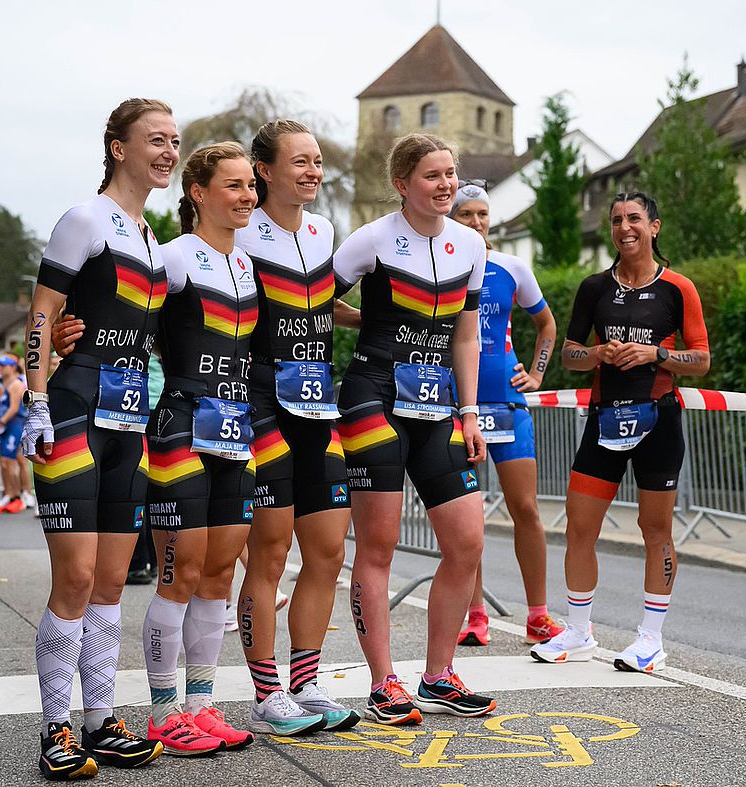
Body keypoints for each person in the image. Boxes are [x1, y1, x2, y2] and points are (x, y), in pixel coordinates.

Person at [21, 98, 176, 778]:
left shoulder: (151, 238)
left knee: (112, 580)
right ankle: (56, 729)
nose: (168, 150)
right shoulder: (85, 219)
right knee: (77, 577)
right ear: (118, 147)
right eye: (155, 139)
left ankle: (101, 719)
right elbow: (41, 314)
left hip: (129, 422)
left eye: (175, 140)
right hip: (74, 410)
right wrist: (34, 398)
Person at [333, 133, 494, 724]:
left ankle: (438, 675)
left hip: (438, 407)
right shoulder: (373, 239)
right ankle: (383, 683)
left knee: (467, 542)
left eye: (451, 173)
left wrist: (470, 413)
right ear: (403, 184)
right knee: (377, 548)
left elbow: (467, 334)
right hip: (373, 396)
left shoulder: (470, 246)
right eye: (433, 175)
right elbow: (307, 299)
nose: (447, 184)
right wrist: (361, 319)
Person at [530, 191, 710, 674]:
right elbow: (569, 355)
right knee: (579, 526)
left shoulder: (679, 288)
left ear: (654, 227)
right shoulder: (593, 288)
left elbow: (702, 359)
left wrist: (656, 355)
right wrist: (598, 355)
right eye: (616, 220)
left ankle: (650, 640)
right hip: (605, 418)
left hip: (659, 419)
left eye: (634, 219)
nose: (624, 227)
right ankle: (579, 630)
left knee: (656, 531)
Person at [140, 141, 265, 753]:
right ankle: (163, 715)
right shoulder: (174, 259)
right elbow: (122, 319)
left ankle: (202, 705)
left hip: (235, 428)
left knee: (217, 574)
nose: (248, 196)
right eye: (235, 186)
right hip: (181, 425)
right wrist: (63, 333)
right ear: (198, 193)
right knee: (181, 572)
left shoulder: (245, 266)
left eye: (251, 186)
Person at [234, 120, 358, 734]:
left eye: (316, 161)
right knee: (271, 550)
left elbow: (322, 299)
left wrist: (373, 319)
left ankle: (306, 684)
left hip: (318, 402)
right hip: (260, 402)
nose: (313, 171)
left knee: (329, 550)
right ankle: (266, 692)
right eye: (300, 162)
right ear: (265, 170)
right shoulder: (239, 230)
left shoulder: (323, 229)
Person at [448, 183, 565, 648]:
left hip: (507, 404)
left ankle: (538, 615)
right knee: (468, 518)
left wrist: (536, 374)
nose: (477, 222)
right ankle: (475, 616)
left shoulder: (511, 268)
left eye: (482, 214)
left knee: (527, 510)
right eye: (467, 215)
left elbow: (547, 324)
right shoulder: (439, 269)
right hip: (459, 405)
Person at [0, 356, 28, 513]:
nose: (1, 368)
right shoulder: (1, 384)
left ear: (13, 367)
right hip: (5, 425)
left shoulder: (16, 384)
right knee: (4, 462)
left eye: (4, 366)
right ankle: (10, 493)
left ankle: (17, 496)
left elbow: (13, 408)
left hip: (14, 424)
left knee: (10, 461)